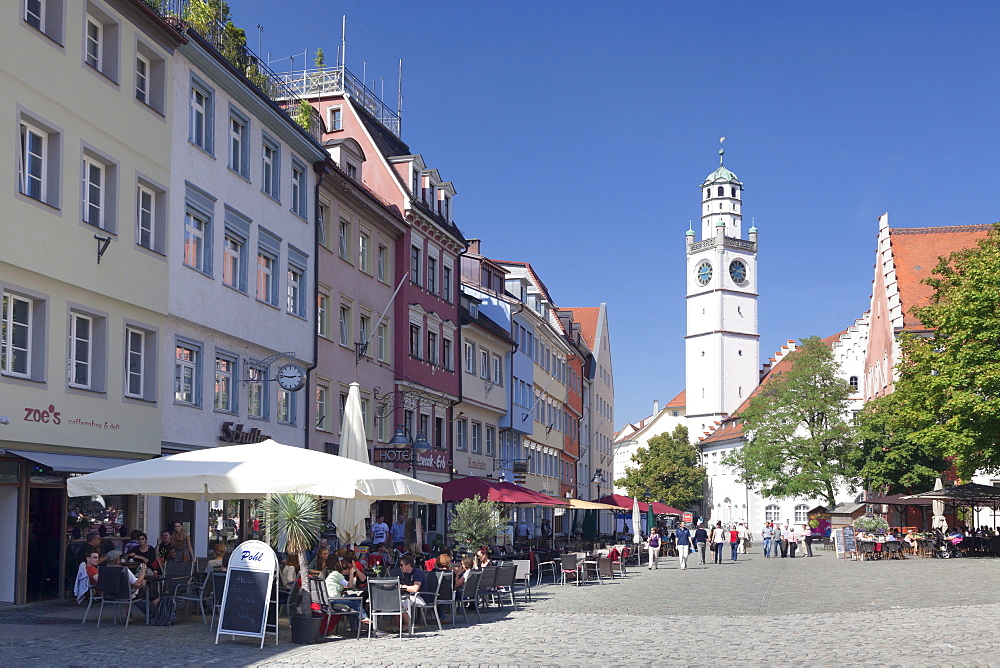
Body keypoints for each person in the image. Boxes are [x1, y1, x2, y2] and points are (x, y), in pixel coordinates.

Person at [324, 559, 371, 633]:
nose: (348, 571)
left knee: (354, 598)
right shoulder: (337, 575)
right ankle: (363, 617)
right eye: (347, 569)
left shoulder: (333, 574)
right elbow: (350, 586)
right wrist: (352, 574)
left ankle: (357, 626)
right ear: (343, 569)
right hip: (334, 599)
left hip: (330, 598)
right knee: (355, 599)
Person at [398, 555, 432, 631]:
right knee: (394, 601)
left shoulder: (417, 573)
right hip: (411, 596)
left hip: (421, 597)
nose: (400, 567)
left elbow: (415, 589)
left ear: (408, 565)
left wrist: (401, 586)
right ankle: (398, 626)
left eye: (401, 565)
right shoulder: (406, 574)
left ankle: (407, 625)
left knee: (400, 602)